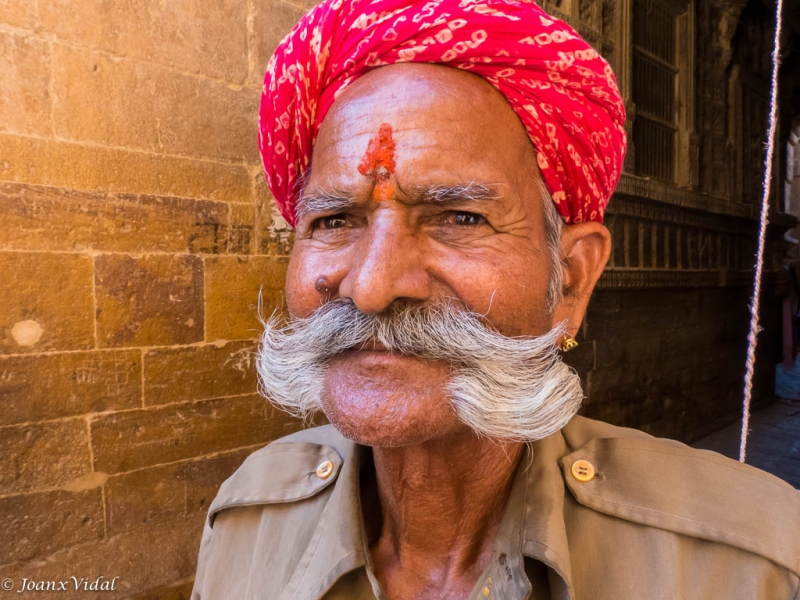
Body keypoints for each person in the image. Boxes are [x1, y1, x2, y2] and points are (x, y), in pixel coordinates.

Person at [191, 0, 800, 598]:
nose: (371, 287)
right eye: (332, 221)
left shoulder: (753, 565)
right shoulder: (247, 520)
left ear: (569, 280)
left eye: (457, 217)